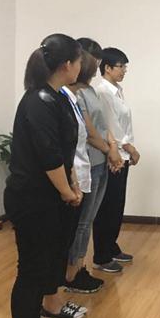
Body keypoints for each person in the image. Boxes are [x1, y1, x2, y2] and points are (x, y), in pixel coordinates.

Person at [4, 33, 82, 318]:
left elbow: (65, 150)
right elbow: (48, 155)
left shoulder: (58, 97)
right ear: (67, 64)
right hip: (32, 199)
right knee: (31, 269)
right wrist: (66, 191)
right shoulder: (38, 100)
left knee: (46, 266)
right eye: (78, 61)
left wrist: (72, 183)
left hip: (50, 199)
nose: (80, 67)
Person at [65, 43, 123, 293]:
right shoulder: (74, 92)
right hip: (88, 162)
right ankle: (71, 273)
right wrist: (110, 150)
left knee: (88, 221)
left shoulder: (90, 90)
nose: (96, 64)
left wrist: (111, 147)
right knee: (81, 223)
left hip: (100, 160)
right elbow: (88, 132)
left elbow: (103, 125)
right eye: (93, 59)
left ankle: (79, 268)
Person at [93, 47, 139, 273]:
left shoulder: (116, 90)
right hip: (113, 155)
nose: (124, 70)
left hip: (123, 154)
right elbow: (111, 125)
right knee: (107, 207)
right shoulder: (102, 91)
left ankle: (111, 246)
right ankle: (102, 255)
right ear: (107, 68)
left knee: (117, 204)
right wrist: (130, 148)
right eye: (121, 66)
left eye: (125, 66)